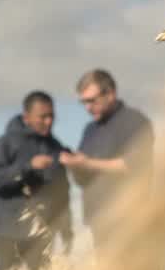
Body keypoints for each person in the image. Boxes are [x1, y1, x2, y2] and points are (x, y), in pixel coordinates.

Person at [58, 69, 155, 250]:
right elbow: (83, 179)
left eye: (91, 101)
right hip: (98, 217)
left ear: (110, 94)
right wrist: (75, 166)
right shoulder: (90, 130)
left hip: (129, 216)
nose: (87, 107)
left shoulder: (135, 121)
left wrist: (86, 163)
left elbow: (135, 165)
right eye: (83, 102)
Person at [0, 90, 74, 270]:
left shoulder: (56, 147)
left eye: (51, 116)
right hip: (9, 233)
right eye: (43, 117)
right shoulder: (6, 142)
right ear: (27, 117)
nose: (49, 121)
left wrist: (67, 229)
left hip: (43, 235)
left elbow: (63, 192)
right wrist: (27, 167)